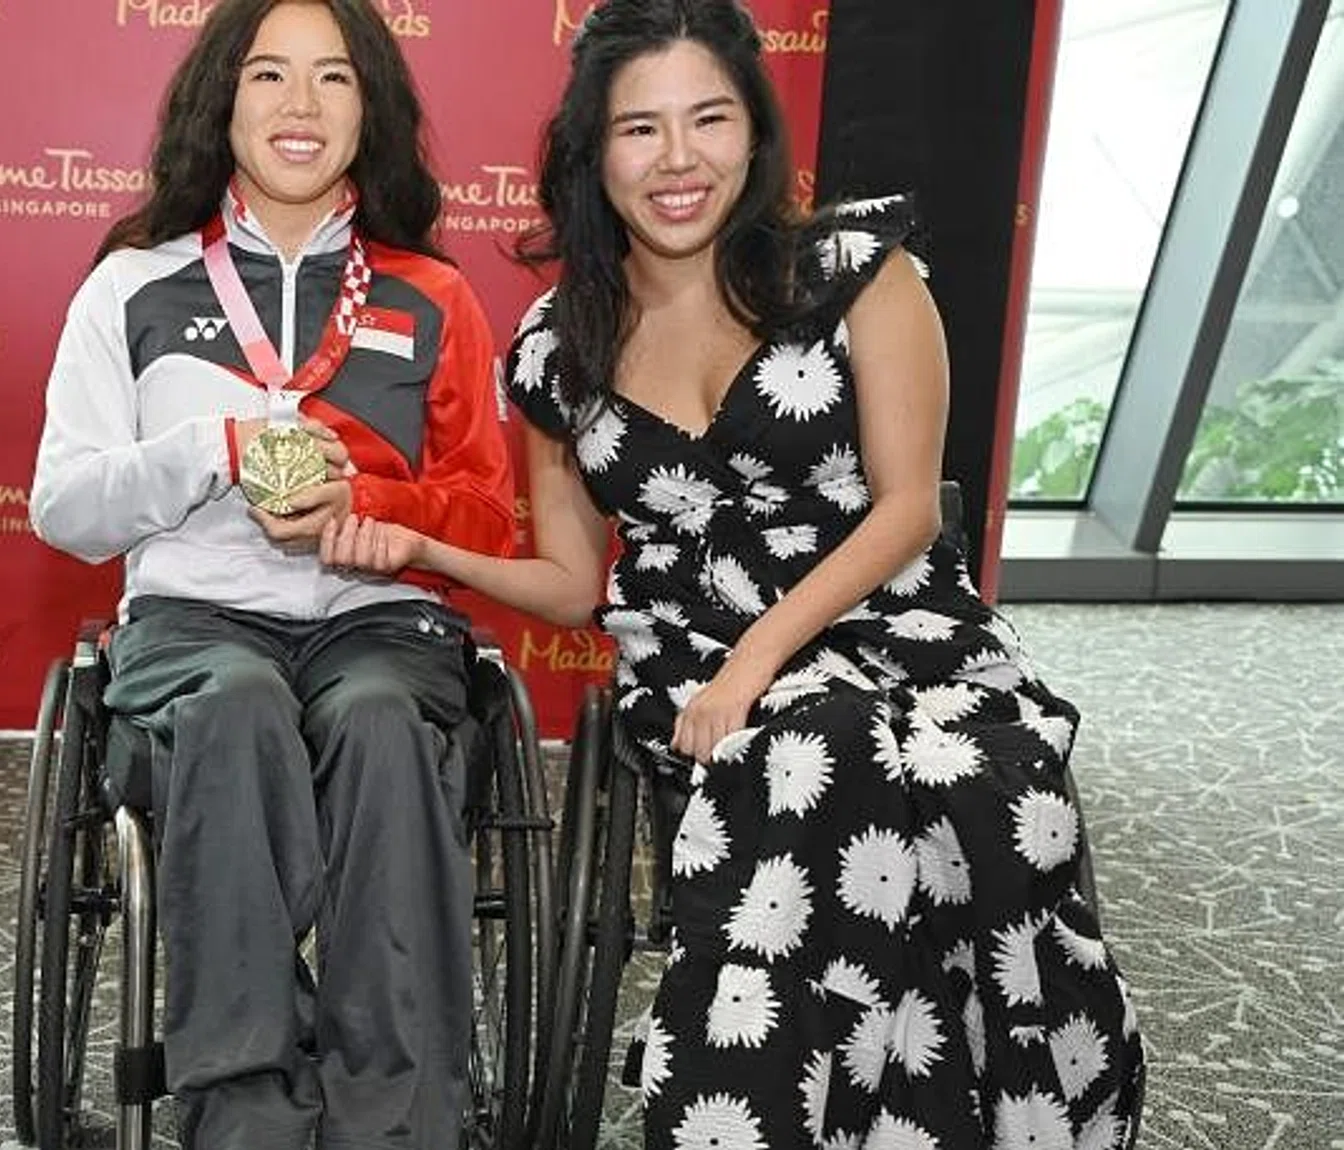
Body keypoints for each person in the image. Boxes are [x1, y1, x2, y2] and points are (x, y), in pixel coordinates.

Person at [322, 1, 1147, 1146]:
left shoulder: (862, 273)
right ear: (591, 154)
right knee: (821, 752)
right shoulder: (560, 352)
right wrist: (422, 550)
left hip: (893, 616)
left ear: (754, 133)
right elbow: (572, 585)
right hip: (693, 648)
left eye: (708, 118)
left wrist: (763, 656)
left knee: (995, 772)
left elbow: (908, 509)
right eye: (639, 129)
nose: (677, 160)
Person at [28, 2, 514, 1147]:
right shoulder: (131, 285)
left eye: (333, 79)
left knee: (386, 723)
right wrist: (212, 450)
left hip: (379, 623)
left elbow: (491, 519)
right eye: (269, 76)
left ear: (370, 109)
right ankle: (244, 1106)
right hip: (198, 624)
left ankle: (394, 1115)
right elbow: (65, 510)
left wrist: (378, 510)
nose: (300, 106)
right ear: (223, 101)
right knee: (238, 708)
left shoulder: (431, 295)